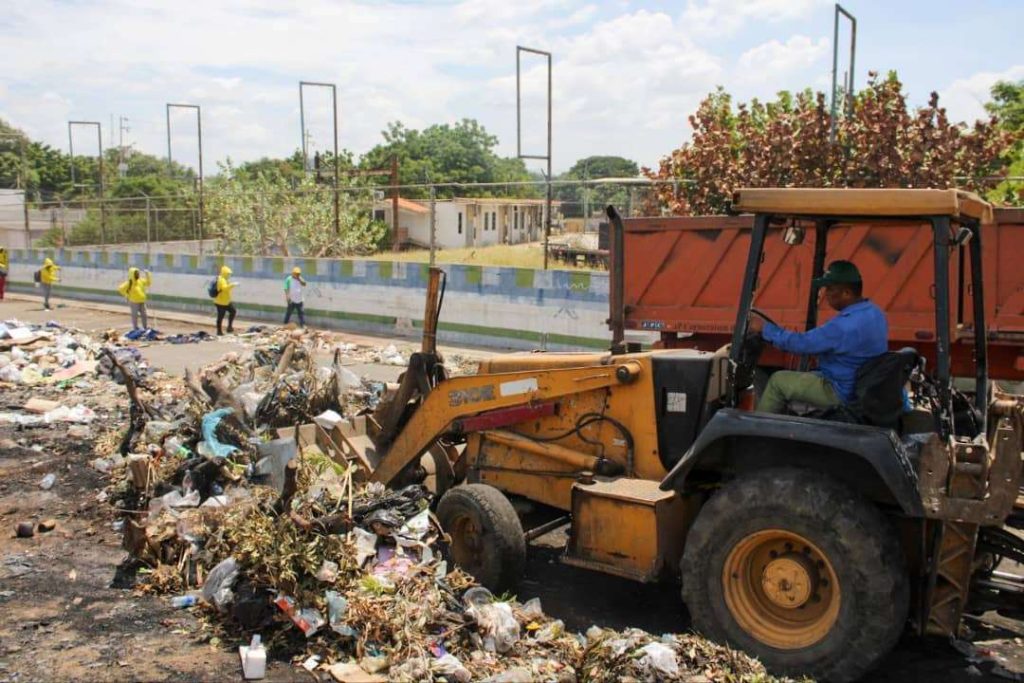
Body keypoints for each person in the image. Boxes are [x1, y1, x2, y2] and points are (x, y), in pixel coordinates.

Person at [749, 260, 888, 414]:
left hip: (841, 390)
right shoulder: (875, 312)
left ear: (847, 293)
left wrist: (764, 329)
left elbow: (801, 344)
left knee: (778, 381)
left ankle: (756, 433)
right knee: (807, 375)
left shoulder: (843, 326)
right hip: (860, 383)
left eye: (830, 289)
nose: (825, 294)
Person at [213, 265, 238, 335]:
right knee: (220, 316)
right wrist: (233, 284)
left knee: (233, 311)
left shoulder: (224, 279)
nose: (229, 275)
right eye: (228, 274)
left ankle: (229, 327)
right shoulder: (222, 280)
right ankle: (219, 331)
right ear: (225, 273)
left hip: (226, 301)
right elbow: (224, 288)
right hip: (220, 302)